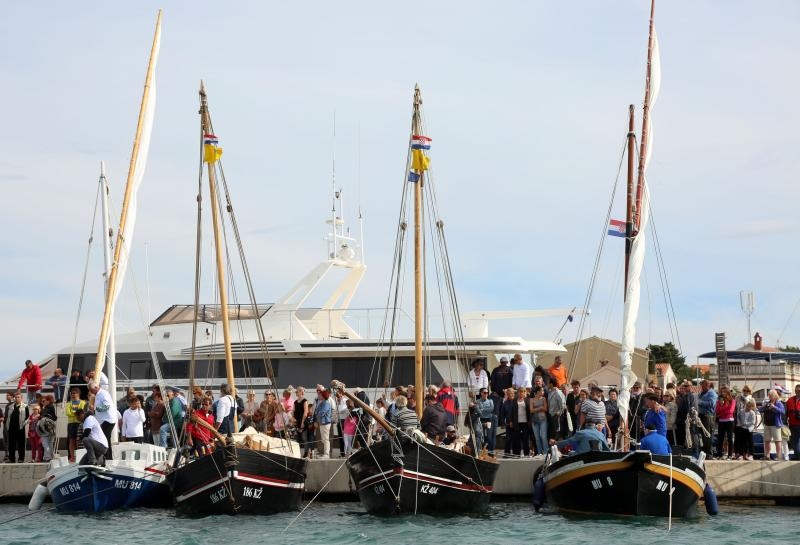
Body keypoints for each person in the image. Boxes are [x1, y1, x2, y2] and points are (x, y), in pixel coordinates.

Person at [89, 380, 117, 459]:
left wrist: (95, 408)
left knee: (104, 439)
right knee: (105, 439)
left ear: (95, 387)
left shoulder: (103, 394)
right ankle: (107, 457)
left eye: (91, 390)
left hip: (108, 420)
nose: (91, 392)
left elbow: (106, 407)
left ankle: (107, 458)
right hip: (105, 420)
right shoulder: (98, 394)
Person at [760, 389, 785, 460]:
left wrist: (774, 407)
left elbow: (782, 412)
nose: (769, 396)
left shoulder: (779, 403)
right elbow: (761, 410)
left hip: (775, 425)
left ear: (775, 395)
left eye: (771, 395)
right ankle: (767, 456)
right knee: (767, 441)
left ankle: (779, 456)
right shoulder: (767, 403)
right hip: (767, 424)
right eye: (769, 395)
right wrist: (764, 407)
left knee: (777, 441)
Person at [507, 387, 531, 457]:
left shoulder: (527, 400)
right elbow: (511, 412)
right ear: (518, 393)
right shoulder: (514, 401)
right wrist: (511, 421)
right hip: (516, 423)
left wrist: (530, 421)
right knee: (516, 439)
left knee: (525, 439)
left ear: (524, 393)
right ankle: (517, 454)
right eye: (520, 392)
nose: (521, 393)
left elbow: (530, 412)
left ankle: (527, 453)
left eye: (522, 392)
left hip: (525, 423)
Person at [65, 387, 87, 462]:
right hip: (71, 424)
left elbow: (82, 412)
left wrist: (74, 413)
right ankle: (72, 456)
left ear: (78, 394)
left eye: (75, 393)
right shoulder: (68, 404)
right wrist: (77, 413)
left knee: (79, 440)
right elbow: (68, 413)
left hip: (79, 424)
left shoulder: (83, 403)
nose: (73, 395)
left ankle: (79, 455)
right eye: (72, 393)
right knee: (71, 440)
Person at [697, 380, 718, 457]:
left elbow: (711, 404)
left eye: (702, 385)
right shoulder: (701, 393)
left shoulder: (712, 393)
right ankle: (703, 452)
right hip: (701, 416)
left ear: (707, 385)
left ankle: (709, 453)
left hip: (708, 416)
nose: (701, 387)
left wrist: (699, 402)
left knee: (707, 435)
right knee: (701, 435)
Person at [715, 385, 736, 459]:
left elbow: (731, 411)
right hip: (721, 421)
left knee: (730, 438)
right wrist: (722, 407)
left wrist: (721, 412)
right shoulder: (719, 401)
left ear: (727, 392)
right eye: (722, 392)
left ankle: (730, 455)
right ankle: (719, 454)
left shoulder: (732, 401)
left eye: (724, 391)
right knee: (720, 438)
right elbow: (717, 411)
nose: (723, 393)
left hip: (729, 421)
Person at [5, 393, 28, 463]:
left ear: (21, 398)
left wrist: (23, 424)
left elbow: (27, 417)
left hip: (20, 428)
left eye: (18, 397)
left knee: (21, 444)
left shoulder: (25, 406)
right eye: (16, 397)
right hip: (11, 428)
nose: (17, 398)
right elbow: (7, 416)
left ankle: (21, 458)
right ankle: (11, 459)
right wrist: (7, 425)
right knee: (11, 444)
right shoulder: (10, 406)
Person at [529, 386, 548, 456]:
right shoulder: (531, 399)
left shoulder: (543, 399)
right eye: (541, 391)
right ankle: (540, 452)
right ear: (537, 392)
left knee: (543, 436)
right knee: (537, 437)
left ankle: (546, 452)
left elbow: (545, 409)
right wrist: (540, 408)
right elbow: (531, 410)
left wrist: (536, 409)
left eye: (543, 391)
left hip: (543, 419)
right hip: (534, 421)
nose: (543, 392)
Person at [475, 388, 495, 453]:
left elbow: (491, 409)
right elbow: (478, 412)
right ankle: (481, 452)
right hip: (480, 420)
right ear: (481, 393)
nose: (486, 394)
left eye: (487, 392)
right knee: (481, 435)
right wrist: (483, 410)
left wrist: (482, 409)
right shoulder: (477, 401)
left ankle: (490, 453)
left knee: (489, 436)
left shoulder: (490, 401)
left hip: (489, 420)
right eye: (484, 392)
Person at [314, 388, 333, 458]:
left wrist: (318, 412)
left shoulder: (326, 403)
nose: (318, 396)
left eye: (320, 395)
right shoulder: (321, 403)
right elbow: (316, 412)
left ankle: (326, 454)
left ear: (323, 396)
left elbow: (321, 413)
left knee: (325, 439)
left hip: (325, 423)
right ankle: (325, 453)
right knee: (323, 439)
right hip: (322, 423)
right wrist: (318, 413)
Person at [38, 394, 57, 461]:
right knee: (50, 443)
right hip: (51, 428)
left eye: (44, 400)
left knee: (45, 442)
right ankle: (51, 456)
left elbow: (43, 416)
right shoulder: (51, 407)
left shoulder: (47, 408)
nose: (43, 402)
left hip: (45, 428)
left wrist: (40, 416)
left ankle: (47, 457)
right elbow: (54, 417)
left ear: (48, 401)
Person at [293, 387, 311, 457]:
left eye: (297, 392)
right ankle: (298, 453)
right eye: (296, 392)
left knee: (304, 438)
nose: (296, 393)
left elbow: (306, 412)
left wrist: (303, 422)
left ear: (301, 392)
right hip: (297, 422)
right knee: (297, 438)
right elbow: (294, 411)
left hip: (303, 421)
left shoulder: (305, 401)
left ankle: (306, 453)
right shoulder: (295, 402)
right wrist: (293, 418)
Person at [786, 384, 800, 461]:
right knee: (794, 441)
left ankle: (798, 456)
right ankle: (797, 455)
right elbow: (786, 412)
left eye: (799, 391)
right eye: (796, 391)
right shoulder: (790, 400)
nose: (797, 392)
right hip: (793, 424)